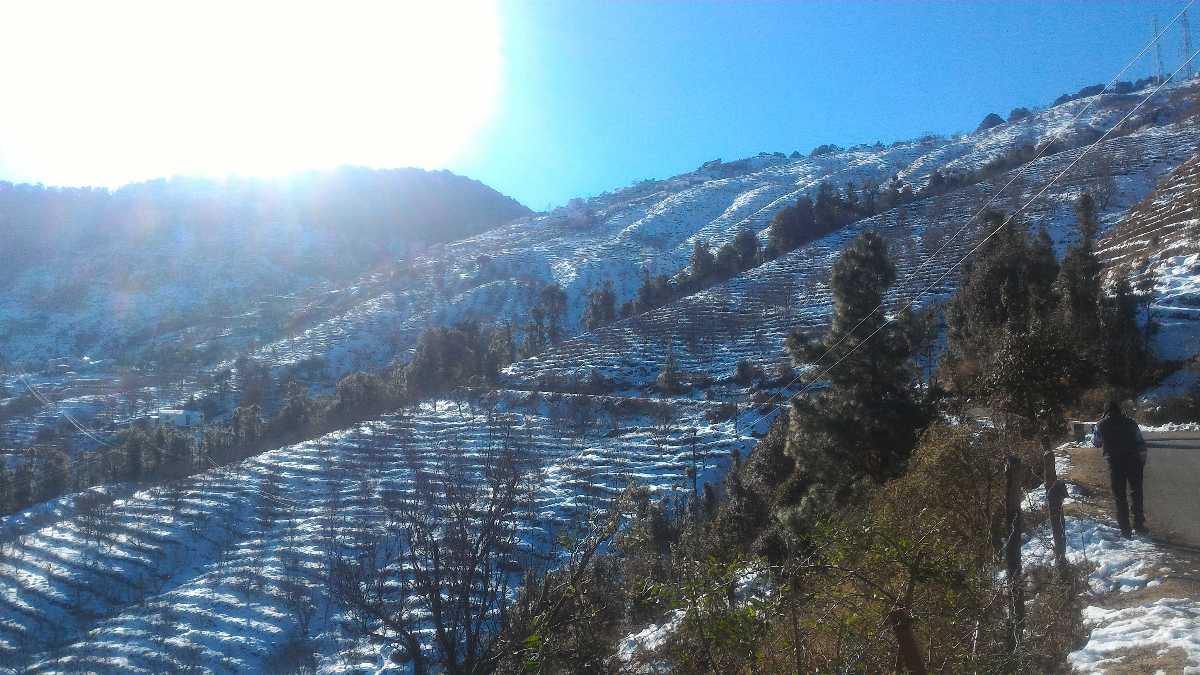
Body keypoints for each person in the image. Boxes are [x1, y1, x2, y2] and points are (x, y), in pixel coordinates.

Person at [1092, 400, 1148, 538]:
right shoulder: (1131, 422)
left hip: (1115, 463)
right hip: (1134, 460)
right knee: (1136, 493)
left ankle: (1125, 530)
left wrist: (1095, 430)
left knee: (1120, 496)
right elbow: (1140, 442)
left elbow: (1096, 443)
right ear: (1120, 410)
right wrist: (1142, 459)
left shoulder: (1101, 424)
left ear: (1106, 412)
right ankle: (1139, 525)